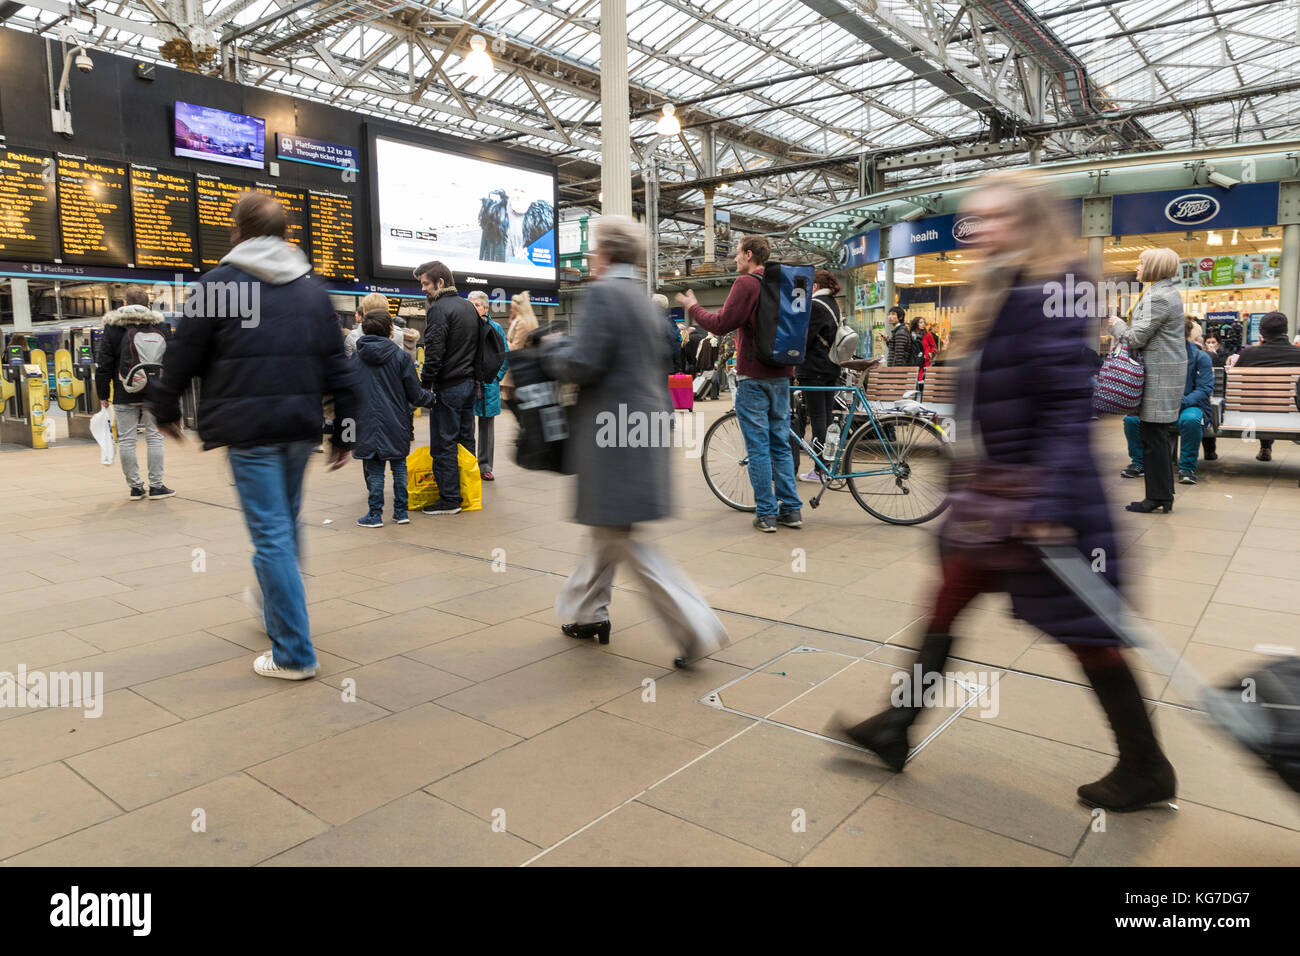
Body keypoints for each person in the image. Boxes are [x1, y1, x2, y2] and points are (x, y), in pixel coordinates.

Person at [834, 170, 1176, 813]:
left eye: (996, 218)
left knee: (1087, 634)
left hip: (1039, 504)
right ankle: (894, 727)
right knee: (945, 604)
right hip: (995, 502)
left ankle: (1146, 765)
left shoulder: (1060, 287)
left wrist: (1046, 507)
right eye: (977, 219)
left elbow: (1066, 409)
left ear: (1030, 222)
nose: (980, 230)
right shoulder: (1004, 288)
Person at [153, 192, 357, 680]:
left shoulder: (219, 284)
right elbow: (339, 367)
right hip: (298, 428)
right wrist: (345, 432)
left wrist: (163, 406)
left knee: (271, 537)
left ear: (236, 232)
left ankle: (293, 653)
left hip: (251, 429)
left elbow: (184, 354)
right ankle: (274, 607)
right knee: (285, 524)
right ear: (287, 234)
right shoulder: (310, 290)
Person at [543, 216, 728, 668]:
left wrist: (549, 346)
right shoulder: (646, 303)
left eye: (593, 252)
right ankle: (588, 613)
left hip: (614, 434)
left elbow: (584, 363)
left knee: (624, 537)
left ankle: (694, 626)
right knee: (609, 532)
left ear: (605, 253)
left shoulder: (603, 294)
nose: (590, 259)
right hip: (640, 426)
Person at [677, 235, 802, 532]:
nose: (734, 259)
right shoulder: (784, 283)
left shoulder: (747, 283)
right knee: (780, 445)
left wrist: (693, 307)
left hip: (754, 376)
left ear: (748, 255)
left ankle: (767, 513)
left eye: (737, 254)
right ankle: (792, 511)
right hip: (782, 374)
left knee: (758, 447)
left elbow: (721, 324)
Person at [352, 310, 435, 527]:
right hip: (397, 420)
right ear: (390, 329)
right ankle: (401, 512)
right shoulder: (400, 357)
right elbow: (414, 393)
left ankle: (375, 514)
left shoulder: (357, 356)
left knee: (376, 469)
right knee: (399, 466)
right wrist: (431, 400)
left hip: (367, 421)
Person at [1123, 248, 1187, 514]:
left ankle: (1157, 497)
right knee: (1156, 436)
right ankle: (1162, 494)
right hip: (1163, 371)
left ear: (1155, 267)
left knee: (1153, 437)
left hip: (1159, 374)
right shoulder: (1163, 291)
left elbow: (1136, 338)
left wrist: (1115, 325)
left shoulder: (1158, 296)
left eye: (1141, 263)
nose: (1137, 267)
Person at [95, 287, 173, 500]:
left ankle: (136, 488)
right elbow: (171, 357)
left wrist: (102, 393)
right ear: (149, 304)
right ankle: (157, 486)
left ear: (125, 303)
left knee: (127, 440)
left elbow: (104, 364)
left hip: (124, 391)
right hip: (154, 391)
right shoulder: (159, 325)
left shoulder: (113, 327)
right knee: (155, 438)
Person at [415, 260, 480, 516]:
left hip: (449, 386)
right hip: (468, 385)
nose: (423, 289)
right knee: (466, 442)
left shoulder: (438, 309)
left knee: (444, 444)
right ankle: (468, 493)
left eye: (425, 284)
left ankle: (450, 499)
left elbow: (434, 352)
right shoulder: (468, 307)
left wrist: (425, 385)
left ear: (440, 283)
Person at [1122, 317, 1212, 486]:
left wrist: (1179, 403)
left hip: (1188, 405)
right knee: (1131, 420)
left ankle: (1187, 468)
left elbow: (1204, 389)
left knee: (1191, 420)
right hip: (1157, 405)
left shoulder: (1200, 357)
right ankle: (1139, 463)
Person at [1225, 311, 1300, 462]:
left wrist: (1258, 347)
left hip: (1251, 416)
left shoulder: (1249, 354)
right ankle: (1266, 447)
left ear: (1262, 332)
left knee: (1262, 397)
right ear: (1286, 330)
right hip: (1293, 418)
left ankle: (1265, 446)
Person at [795, 269, 843, 482]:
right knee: (825, 416)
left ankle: (820, 469)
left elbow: (804, 339)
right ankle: (828, 466)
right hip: (831, 368)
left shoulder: (815, 305)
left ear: (814, 286)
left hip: (814, 369)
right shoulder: (834, 304)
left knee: (817, 420)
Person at [468, 289, 507, 481]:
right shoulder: (464, 326)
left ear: (485, 307)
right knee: (467, 427)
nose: (473, 308)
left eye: (476, 305)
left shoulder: (496, 328)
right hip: (468, 383)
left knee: (486, 427)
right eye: (470, 304)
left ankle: (485, 466)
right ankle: (468, 464)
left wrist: (496, 377)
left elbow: (504, 355)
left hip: (488, 385)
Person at [499, 291, 539, 405]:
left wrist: (502, 339)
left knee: (516, 403)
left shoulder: (522, 323)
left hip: (518, 369)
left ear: (519, 309)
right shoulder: (528, 320)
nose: (511, 310)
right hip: (524, 367)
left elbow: (516, 347)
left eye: (513, 308)